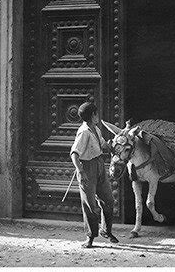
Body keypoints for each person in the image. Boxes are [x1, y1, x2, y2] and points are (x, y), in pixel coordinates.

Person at [70, 102, 119, 248]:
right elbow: (74, 154)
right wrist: (80, 171)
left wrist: (115, 145)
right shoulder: (84, 132)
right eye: (96, 113)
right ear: (93, 115)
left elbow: (103, 144)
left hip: (99, 164)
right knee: (90, 205)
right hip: (87, 168)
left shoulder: (95, 129)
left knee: (108, 200)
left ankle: (106, 231)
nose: (98, 116)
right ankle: (90, 238)